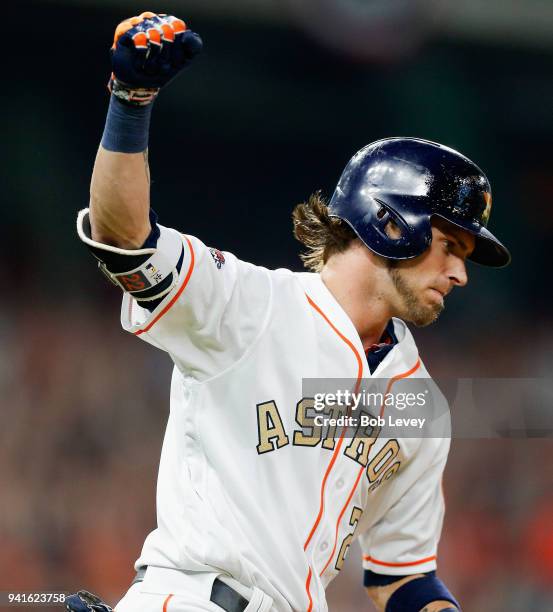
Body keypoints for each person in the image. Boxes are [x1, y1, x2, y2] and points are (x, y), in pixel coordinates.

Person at [67, 11, 510, 612]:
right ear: (389, 221)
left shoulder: (421, 405)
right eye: (449, 246)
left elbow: (401, 577)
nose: (460, 272)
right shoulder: (250, 306)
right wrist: (131, 103)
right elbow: (125, 240)